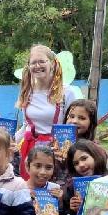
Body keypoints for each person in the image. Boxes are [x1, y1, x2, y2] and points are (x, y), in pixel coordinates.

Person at [13, 45, 80, 180]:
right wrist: (10, 140)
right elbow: (27, 124)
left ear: (52, 63)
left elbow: (74, 126)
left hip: (56, 150)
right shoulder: (27, 93)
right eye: (33, 62)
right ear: (29, 66)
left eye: (42, 61)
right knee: (31, 191)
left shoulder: (67, 93)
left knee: (54, 189)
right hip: (31, 148)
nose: (37, 66)